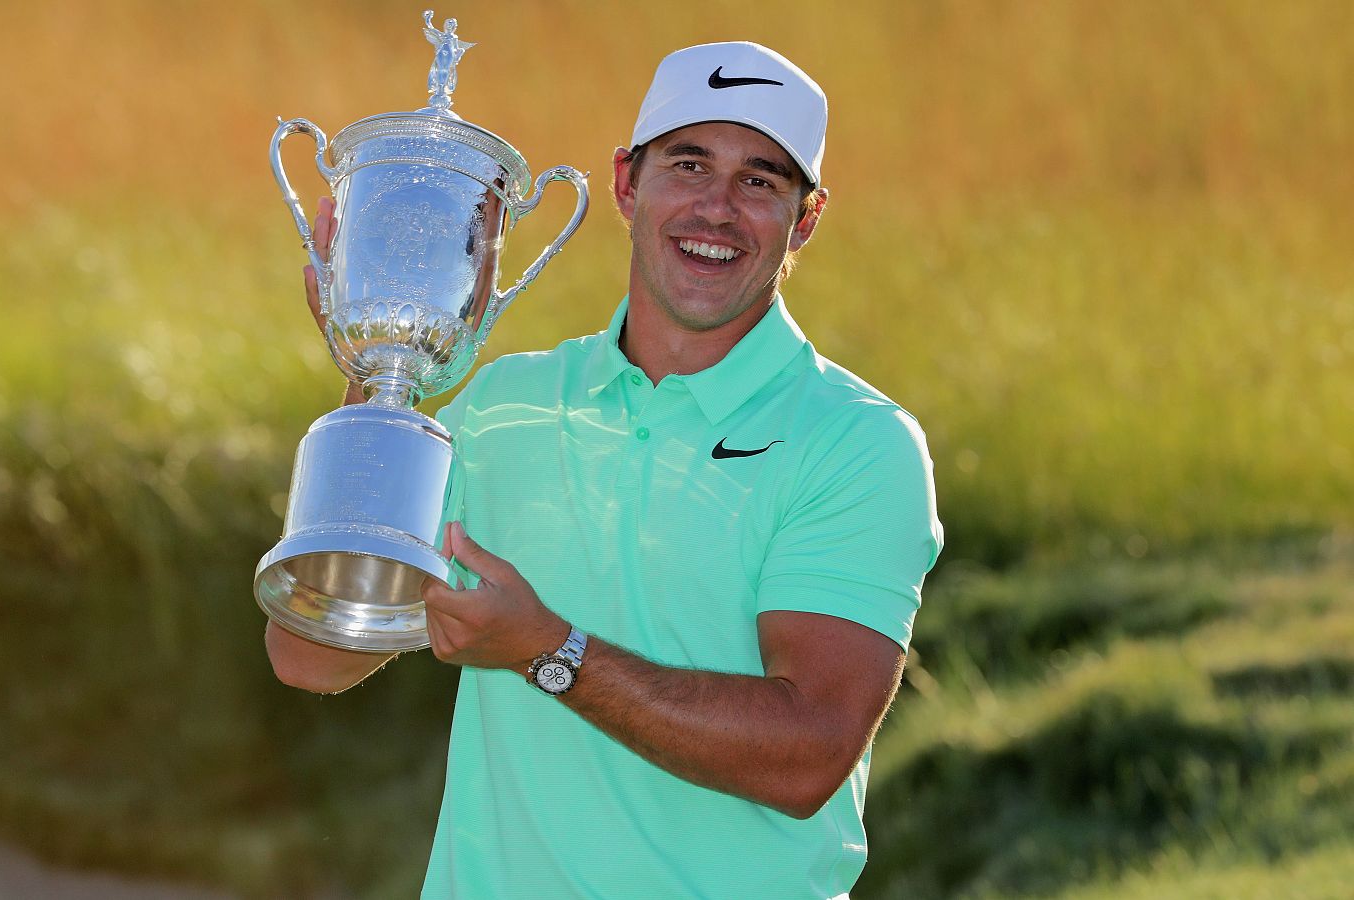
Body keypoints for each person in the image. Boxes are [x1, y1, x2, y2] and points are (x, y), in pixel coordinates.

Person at [267, 41, 943, 899]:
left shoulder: (857, 443)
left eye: (760, 181)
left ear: (805, 219)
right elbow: (309, 654)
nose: (717, 209)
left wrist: (549, 650)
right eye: (689, 165)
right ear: (627, 184)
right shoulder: (506, 405)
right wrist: (376, 366)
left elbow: (807, 754)